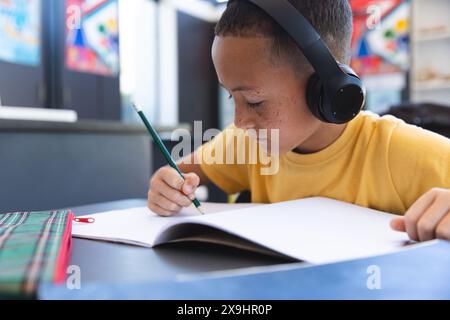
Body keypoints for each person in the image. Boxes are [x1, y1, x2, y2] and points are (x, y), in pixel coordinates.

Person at [147, 0, 450, 242]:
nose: (239, 122)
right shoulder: (247, 142)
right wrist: (167, 187)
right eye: (231, 97)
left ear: (330, 89)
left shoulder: (398, 150)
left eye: (254, 101)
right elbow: (179, 172)